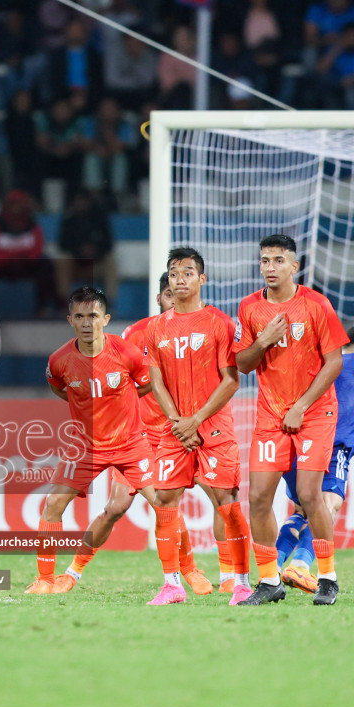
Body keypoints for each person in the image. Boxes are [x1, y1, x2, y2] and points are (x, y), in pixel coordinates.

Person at [25, 285, 171, 597]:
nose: (87, 322)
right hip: (86, 446)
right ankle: (46, 580)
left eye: (93, 315)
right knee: (53, 504)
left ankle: (186, 575)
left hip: (130, 442)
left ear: (105, 318)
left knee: (162, 503)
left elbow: (145, 386)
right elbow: (59, 388)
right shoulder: (59, 360)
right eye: (80, 316)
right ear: (70, 320)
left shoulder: (125, 352)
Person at [233, 233, 349, 606]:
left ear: (294, 266)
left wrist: (301, 406)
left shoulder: (316, 305)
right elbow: (243, 365)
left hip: (314, 412)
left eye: (279, 261)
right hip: (270, 413)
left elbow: (335, 363)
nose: (270, 268)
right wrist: (263, 340)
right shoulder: (249, 308)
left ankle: (328, 577)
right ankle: (269, 581)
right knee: (257, 497)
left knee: (309, 494)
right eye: (265, 260)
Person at [138, 251, 252, 605]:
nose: (180, 279)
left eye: (188, 272)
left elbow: (231, 381)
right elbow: (155, 380)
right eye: (174, 273)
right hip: (176, 430)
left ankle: (243, 581)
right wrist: (177, 422)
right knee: (165, 501)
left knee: (227, 501)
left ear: (202, 279)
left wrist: (196, 420)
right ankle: (172, 584)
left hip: (213, 428)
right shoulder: (156, 327)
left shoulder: (219, 322)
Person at [275, 325, 354, 593]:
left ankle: (272, 569)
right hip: (334, 445)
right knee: (329, 505)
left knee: (302, 510)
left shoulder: (326, 362)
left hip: (299, 443)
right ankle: (302, 566)